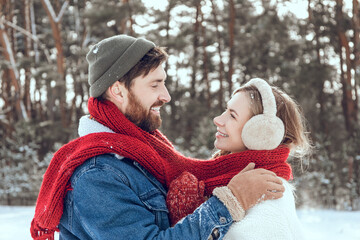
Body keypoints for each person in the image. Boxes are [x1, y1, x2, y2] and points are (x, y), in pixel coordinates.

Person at [30, 35, 286, 240]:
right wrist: (230, 203)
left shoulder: (145, 154)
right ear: (118, 90)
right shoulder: (98, 174)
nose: (166, 95)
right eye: (155, 85)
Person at [166, 78, 312, 239]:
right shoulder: (236, 182)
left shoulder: (269, 196)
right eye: (226, 110)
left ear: (261, 133)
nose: (218, 120)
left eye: (232, 115)